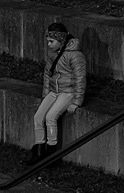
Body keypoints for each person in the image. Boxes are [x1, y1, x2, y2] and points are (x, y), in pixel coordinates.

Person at [29, 21, 87, 161]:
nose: (48, 44)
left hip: (67, 92)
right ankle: (39, 148)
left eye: (51, 41)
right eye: (48, 41)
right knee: (38, 117)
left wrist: (76, 102)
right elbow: (47, 74)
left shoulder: (75, 56)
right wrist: (46, 94)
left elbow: (80, 79)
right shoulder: (52, 53)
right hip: (54, 91)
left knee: (50, 117)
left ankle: (52, 151)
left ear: (60, 40)